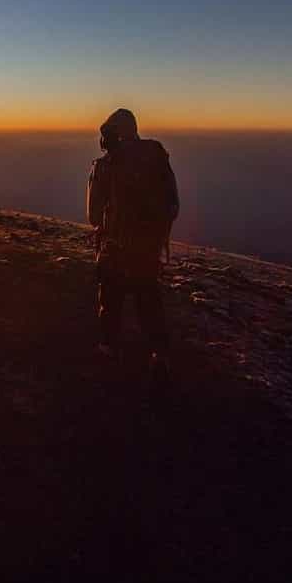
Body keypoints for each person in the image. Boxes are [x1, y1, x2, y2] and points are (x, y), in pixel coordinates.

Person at [86, 109, 179, 385]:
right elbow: (172, 205)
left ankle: (108, 348)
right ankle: (159, 355)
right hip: (148, 249)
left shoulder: (104, 166)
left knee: (110, 300)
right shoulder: (157, 158)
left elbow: (93, 216)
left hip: (114, 249)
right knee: (148, 300)